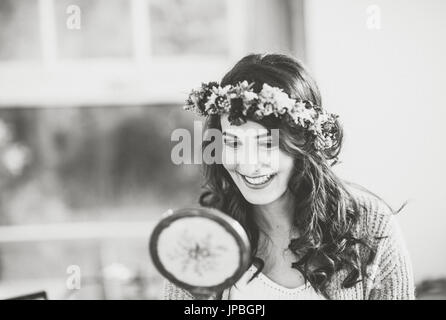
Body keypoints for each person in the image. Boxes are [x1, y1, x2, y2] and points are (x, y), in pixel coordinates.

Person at [163, 53, 415, 300]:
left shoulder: (371, 226)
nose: (250, 166)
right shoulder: (201, 235)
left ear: (303, 143)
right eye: (233, 143)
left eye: (267, 144)